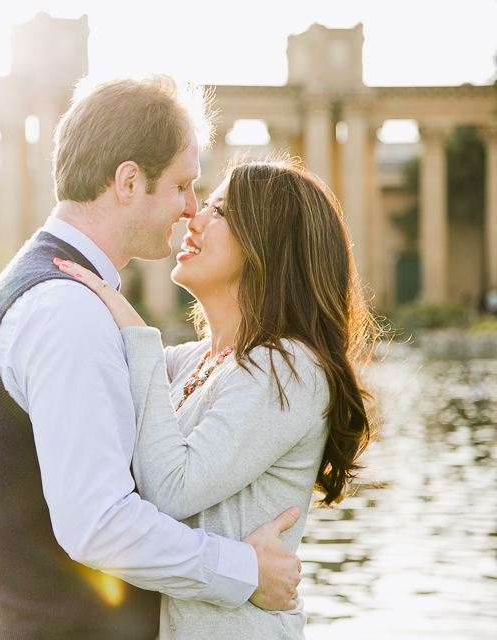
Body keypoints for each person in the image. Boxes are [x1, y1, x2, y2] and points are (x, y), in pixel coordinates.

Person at [0, 76, 302, 640]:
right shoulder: (65, 310)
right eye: (183, 186)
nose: (192, 208)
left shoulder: (57, 291)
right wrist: (245, 570)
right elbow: (97, 525)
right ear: (127, 181)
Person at [56, 157, 378, 638]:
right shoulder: (193, 361)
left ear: (268, 245)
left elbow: (169, 489)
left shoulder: (289, 367)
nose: (194, 217)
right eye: (202, 203)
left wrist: (136, 333)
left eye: (221, 212)